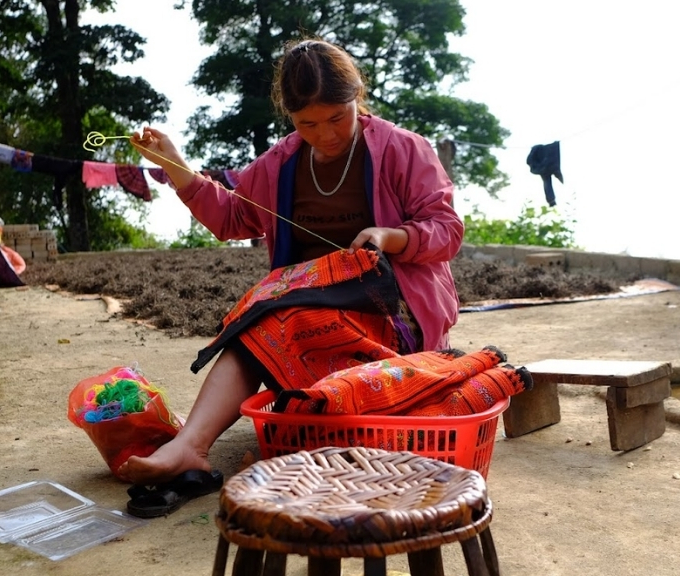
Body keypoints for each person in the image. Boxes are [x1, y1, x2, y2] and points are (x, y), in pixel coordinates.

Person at [119, 37, 463, 508]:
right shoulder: (281, 164)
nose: (325, 134)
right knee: (264, 318)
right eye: (308, 124)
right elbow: (231, 218)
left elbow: (446, 229)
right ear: (291, 119)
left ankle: (193, 444)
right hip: (308, 313)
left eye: (337, 117)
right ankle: (189, 447)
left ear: (357, 97)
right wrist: (174, 166)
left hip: (391, 310)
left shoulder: (405, 150)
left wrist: (390, 237)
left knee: (274, 315)